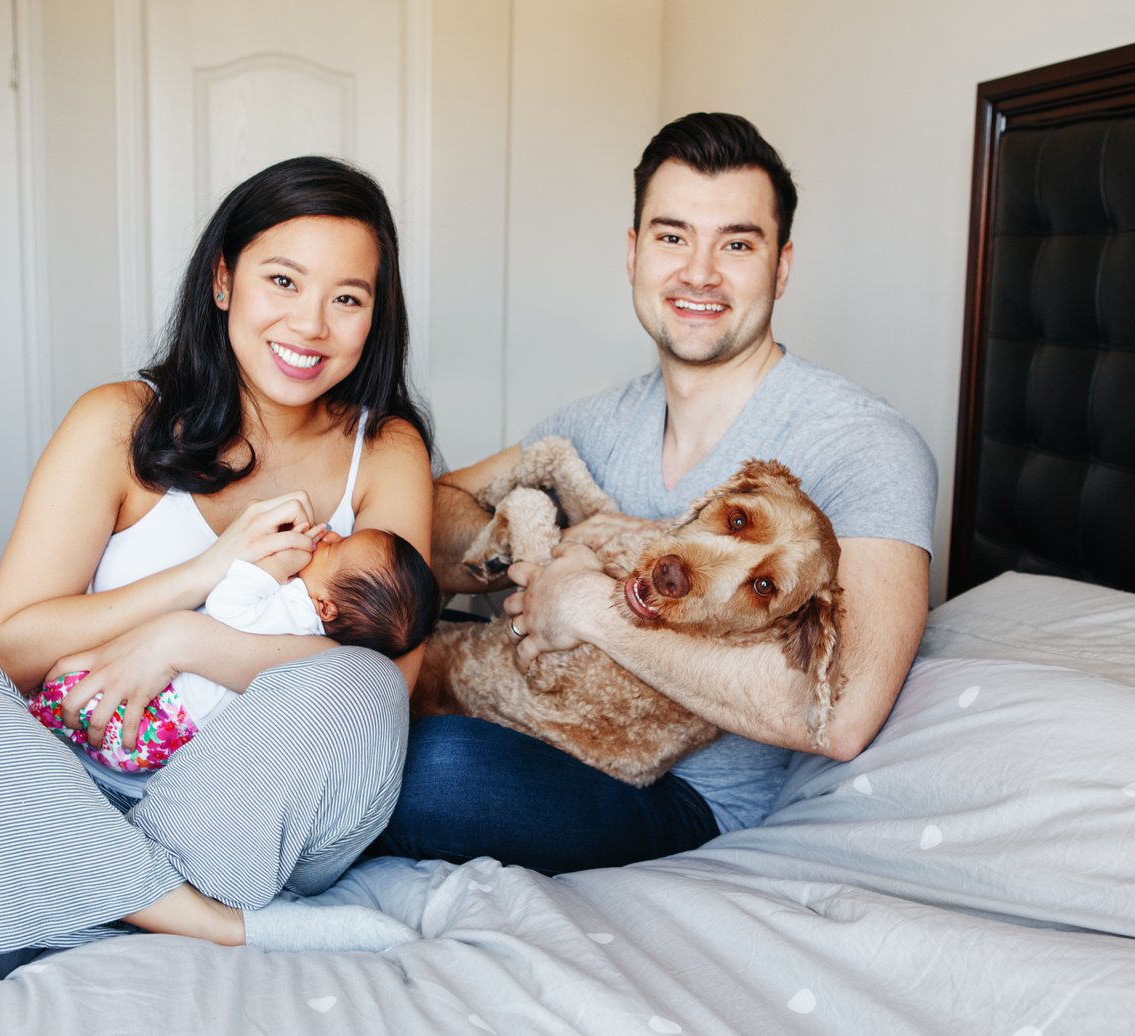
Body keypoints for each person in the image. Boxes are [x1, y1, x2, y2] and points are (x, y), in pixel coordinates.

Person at [0, 155, 435, 982]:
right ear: (223, 281)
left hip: (247, 813)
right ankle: (201, 924)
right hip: (68, 777)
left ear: (375, 316)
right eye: (284, 281)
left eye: (347, 299)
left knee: (360, 690)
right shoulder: (119, 420)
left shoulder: (385, 448)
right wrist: (201, 575)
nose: (310, 326)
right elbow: (12, 647)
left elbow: (390, 677)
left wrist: (186, 644)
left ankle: (49, 906)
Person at [370, 113, 936, 875]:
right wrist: (533, 566)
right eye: (673, 237)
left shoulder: (861, 444)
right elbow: (428, 511)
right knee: (359, 702)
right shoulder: (601, 420)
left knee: (430, 763)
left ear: (783, 266)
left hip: (684, 799)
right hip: (536, 717)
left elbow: (840, 709)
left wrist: (595, 609)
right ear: (634, 253)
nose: (700, 272)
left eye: (737, 243)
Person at [29, 526, 439, 780]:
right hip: (170, 742)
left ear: (327, 607)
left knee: (63, 698)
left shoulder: (292, 606)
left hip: (156, 716)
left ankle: (33, 720)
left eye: (336, 547)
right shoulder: (314, 643)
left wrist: (270, 567)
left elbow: (227, 606)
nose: (328, 535)